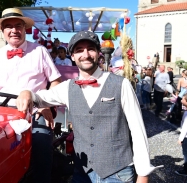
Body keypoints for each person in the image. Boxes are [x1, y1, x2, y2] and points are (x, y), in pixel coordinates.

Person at [16, 31, 156, 183]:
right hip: (82, 171)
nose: (86, 54)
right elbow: (40, 98)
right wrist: (27, 92)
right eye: (79, 50)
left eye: (90, 48)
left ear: (98, 53)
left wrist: (143, 174)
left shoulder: (121, 84)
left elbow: (138, 130)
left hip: (117, 173)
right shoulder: (67, 87)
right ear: (73, 56)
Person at [0, 8, 62, 183]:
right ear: (3, 32)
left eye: (18, 26)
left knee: (41, 143)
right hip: (2, 113)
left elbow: (56, 82)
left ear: (25, 29)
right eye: (8, 26)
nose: (14, 30)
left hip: (35, 111)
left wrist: (46, 104)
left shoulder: (39, 51)